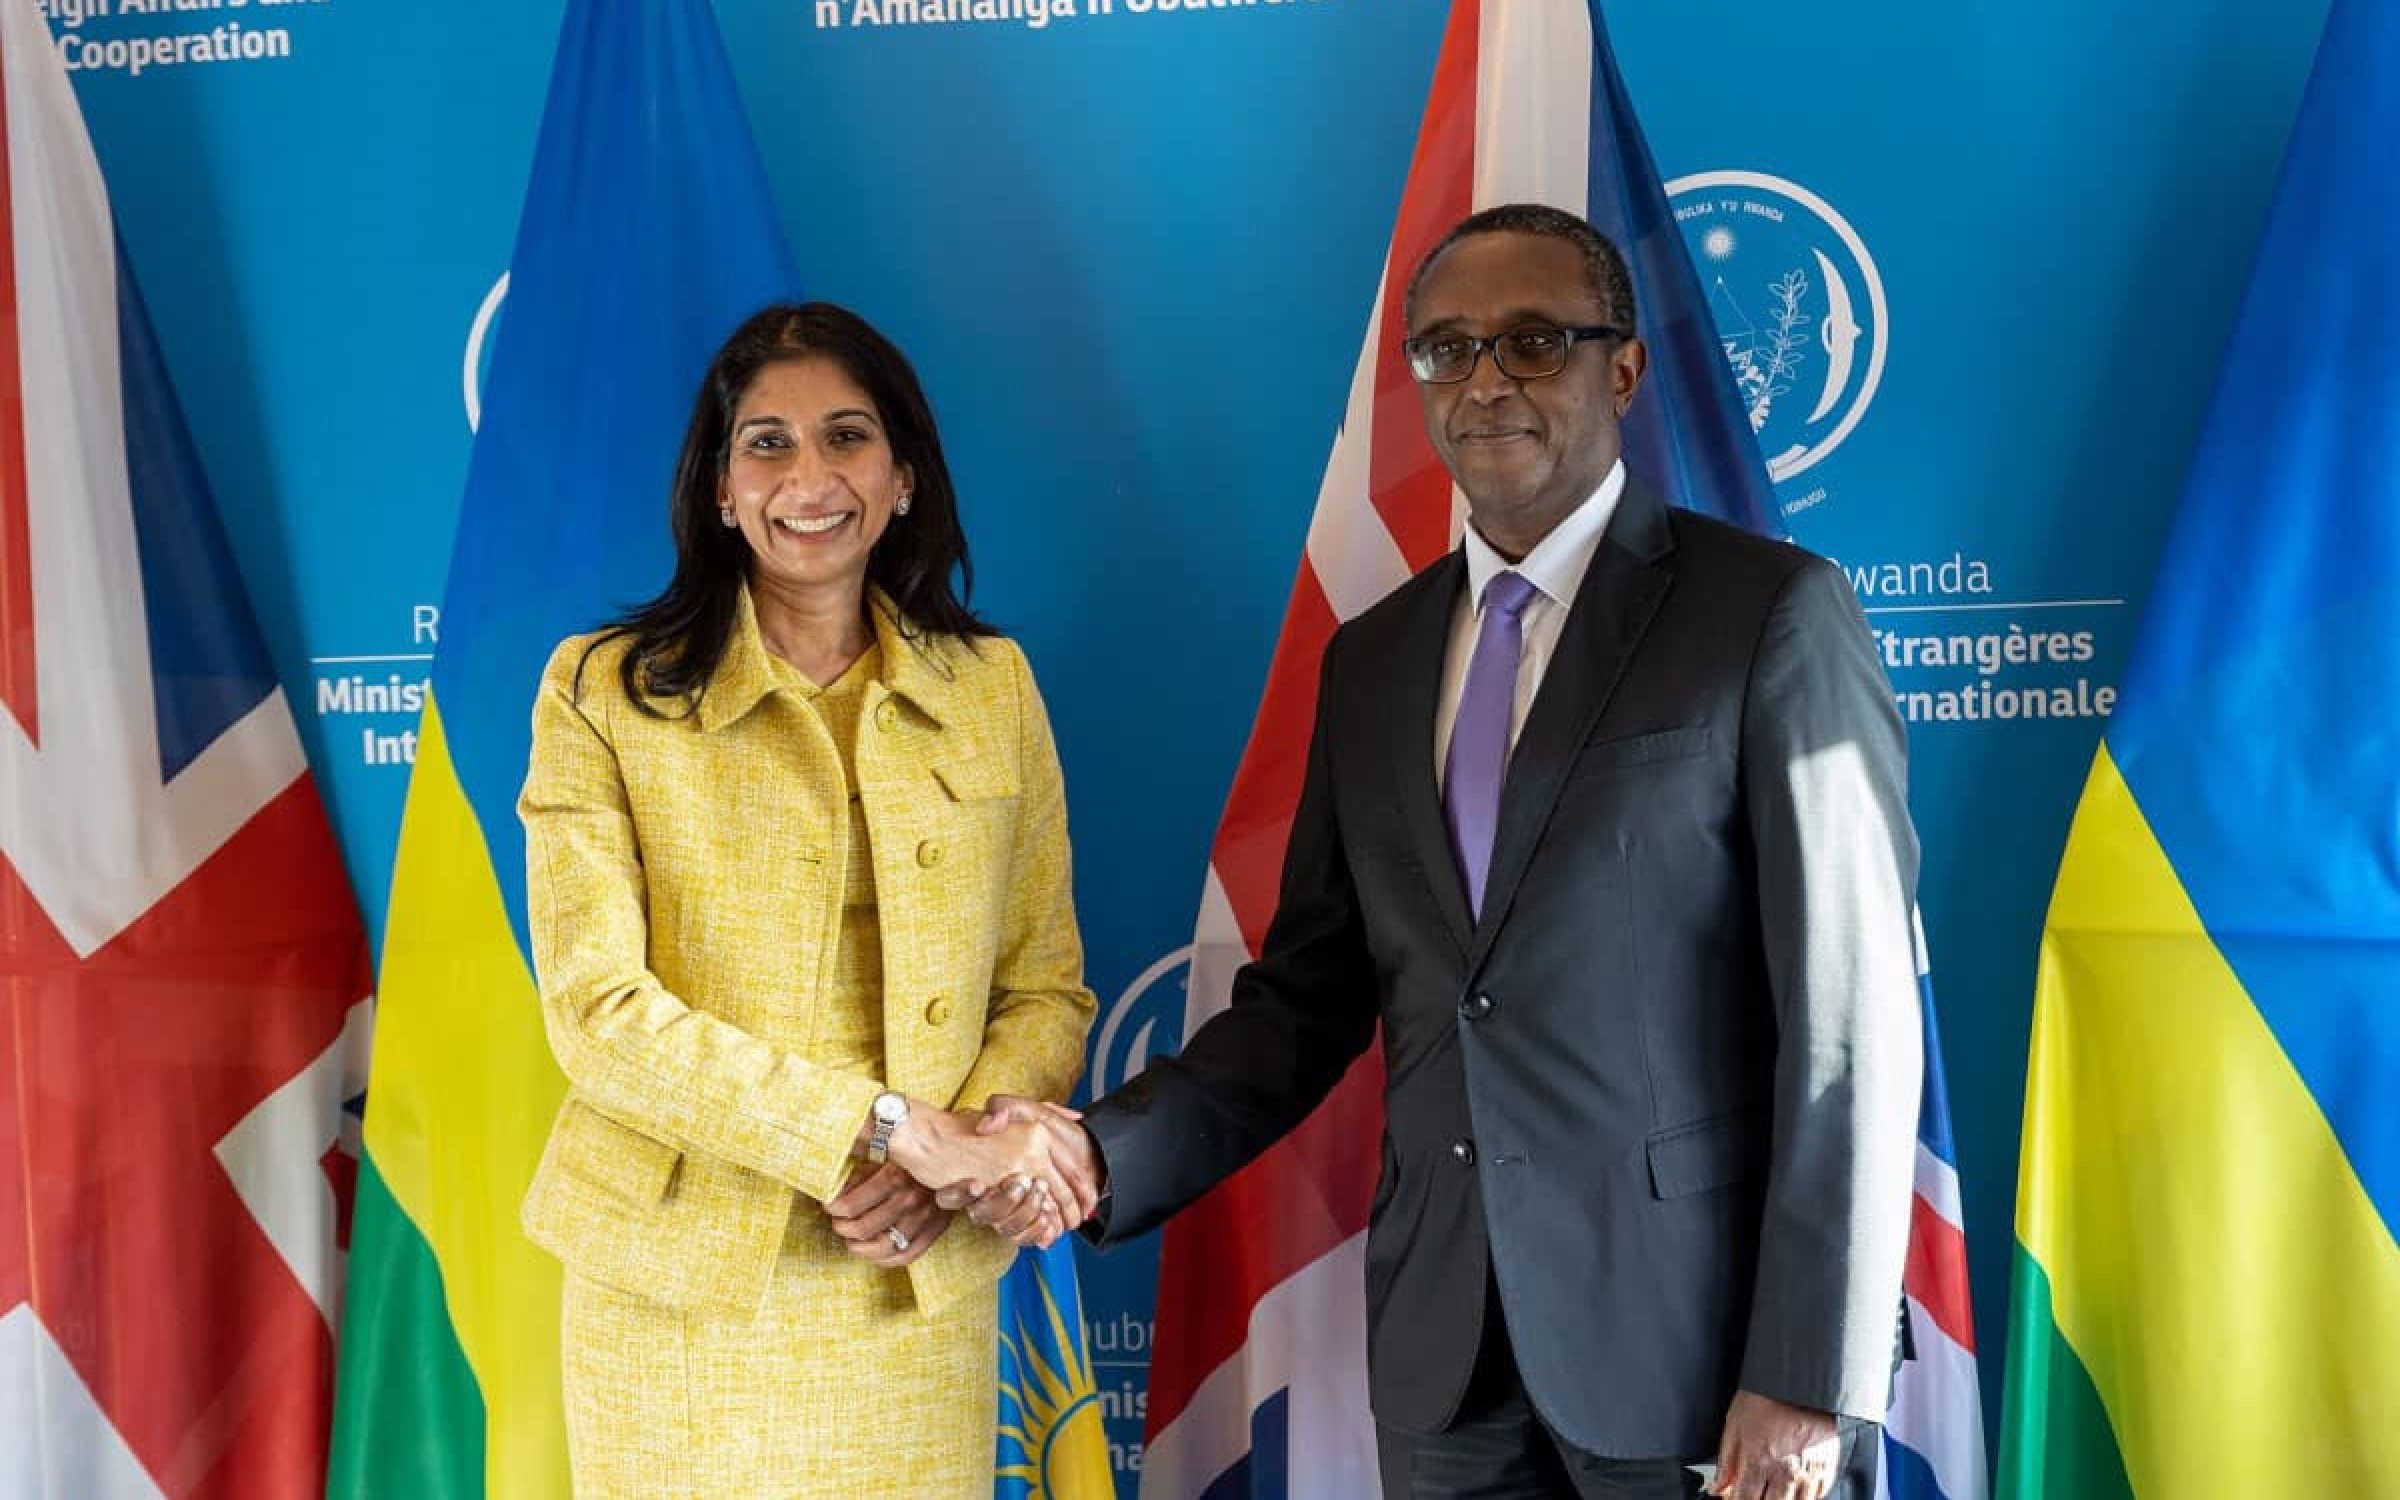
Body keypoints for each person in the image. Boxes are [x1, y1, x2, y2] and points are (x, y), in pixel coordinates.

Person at [975, 205, 1922, 1500]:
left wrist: (1811, 1372)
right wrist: (1095, 1155)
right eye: (1448, 349)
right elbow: (1304, 1006)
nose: (1485, 380)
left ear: (1623, 370)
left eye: (1535, 342)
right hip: (1447, 1366)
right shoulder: (1373, 663)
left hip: (1704, 1360)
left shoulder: (1767, 614)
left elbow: (1851, 1022)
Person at [516, 302, 1098, 1499]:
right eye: (766, 444)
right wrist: (879, 1129)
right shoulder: (602, 693)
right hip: (678, 1278)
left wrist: (963, 1158)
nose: (809, 476)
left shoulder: (994, 690)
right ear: (720, 489)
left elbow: (1046, 986)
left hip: (911, 1257)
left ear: (900, 481)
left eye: (847, 437)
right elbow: (596, 1013)